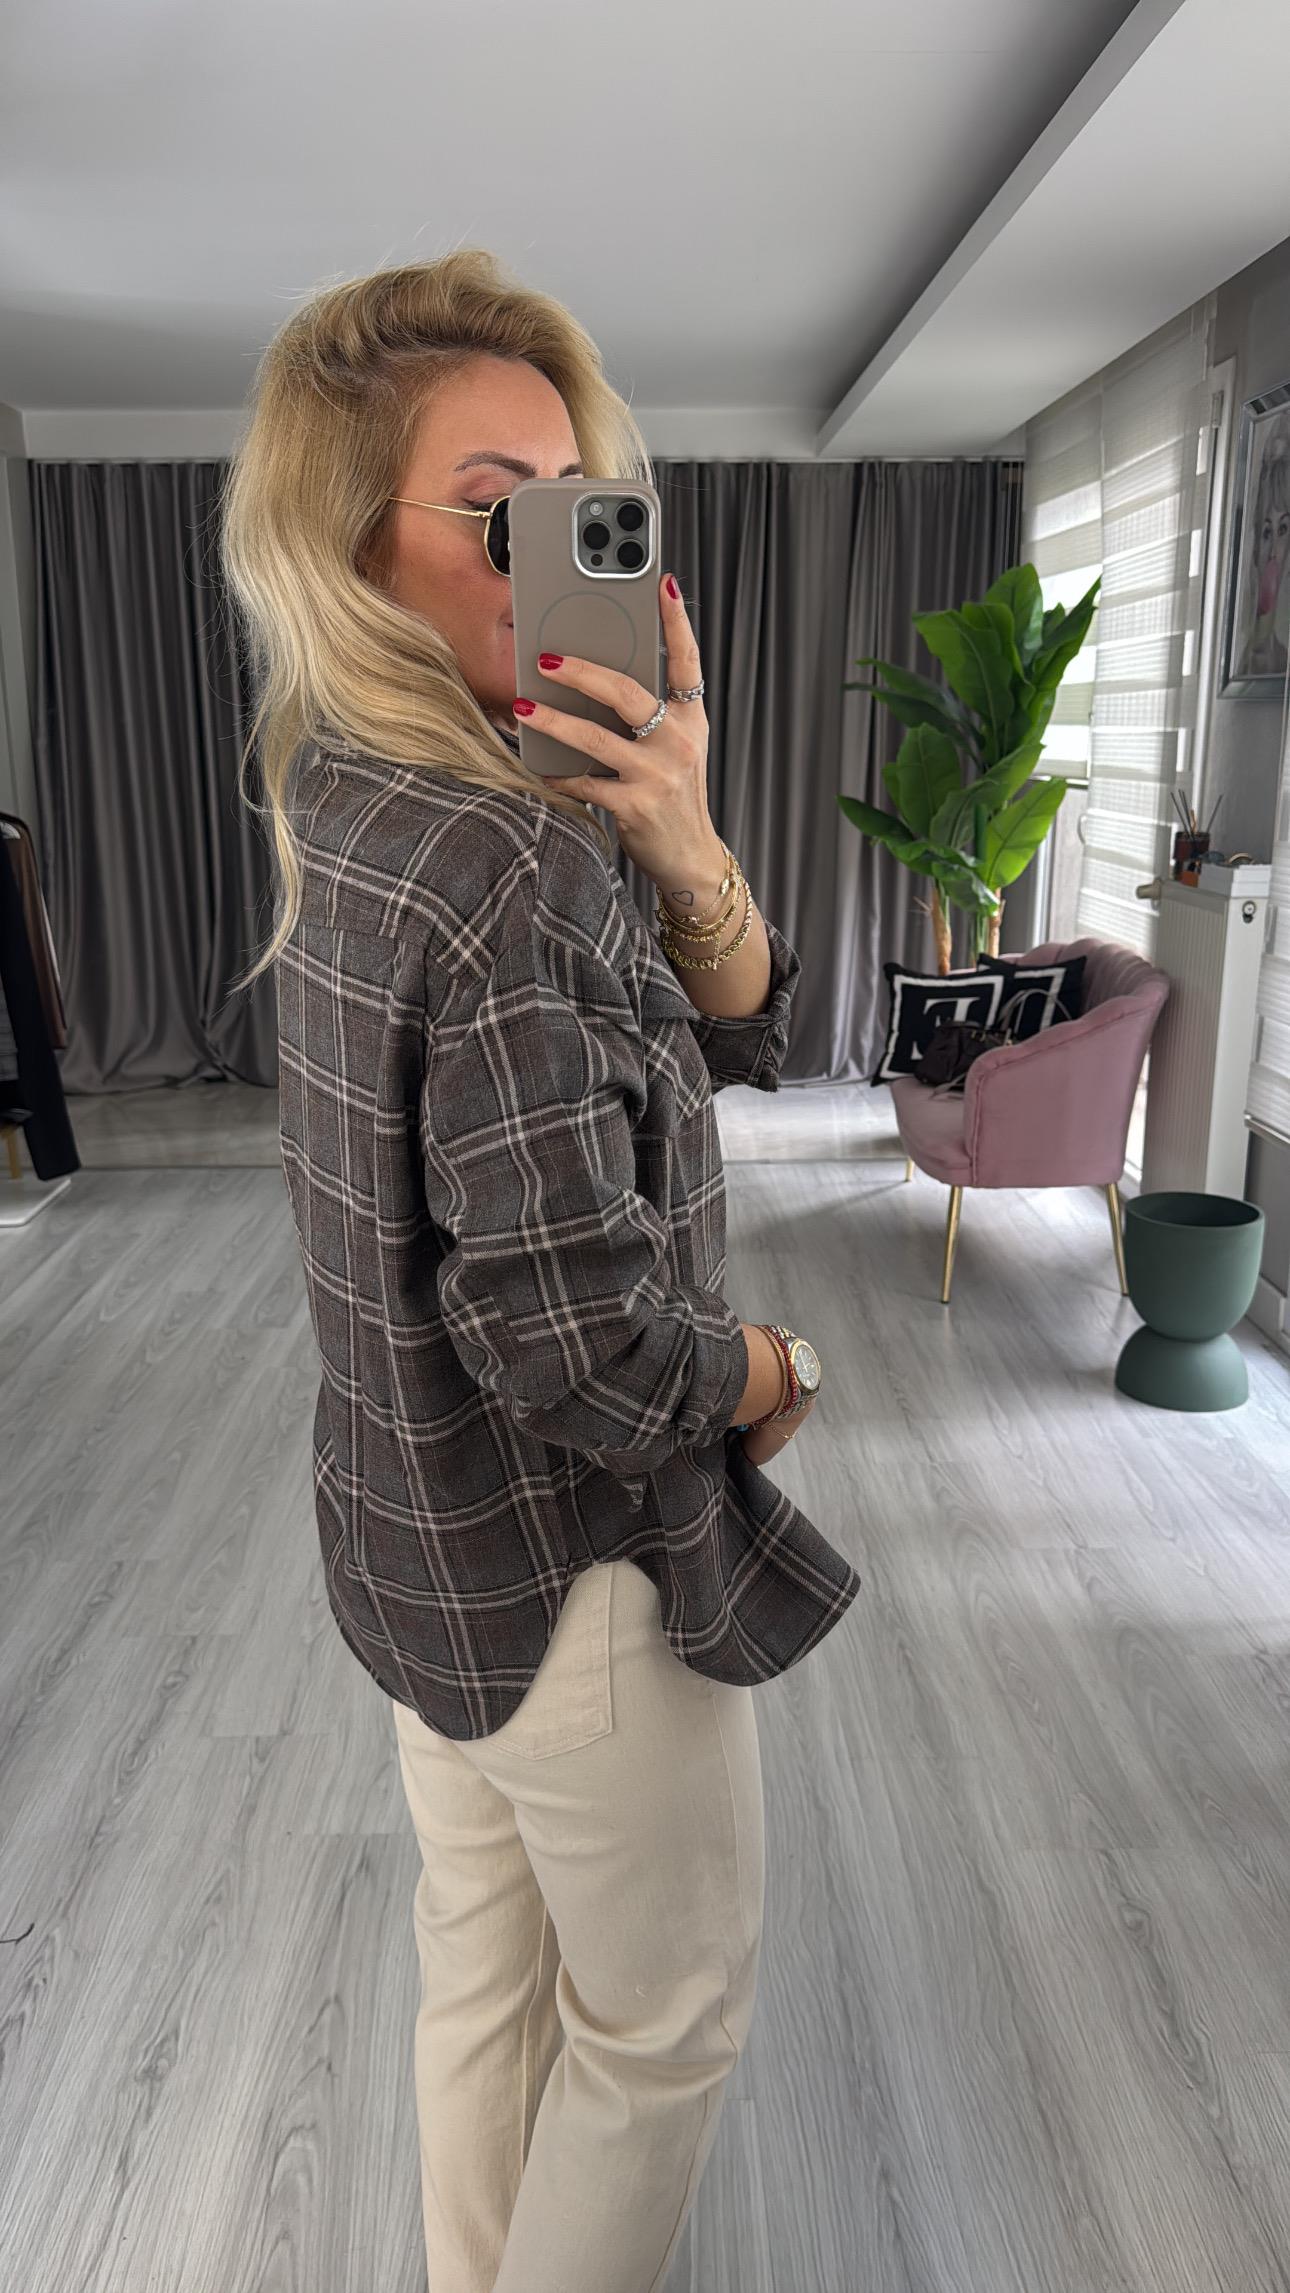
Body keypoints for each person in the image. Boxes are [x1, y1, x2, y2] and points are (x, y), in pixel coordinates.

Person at [220, 248, 862, 2293]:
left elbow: (733, 1038)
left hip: (418, 1542)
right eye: (496, 510)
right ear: (356, 551)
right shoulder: (509, 858)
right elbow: (576, 1342)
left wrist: (684, 839)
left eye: (582, 505)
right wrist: (765, 1366)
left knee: (481, 1978)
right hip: (577, 1572)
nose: (564, 554)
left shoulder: (356, 794)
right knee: (660, 2024)